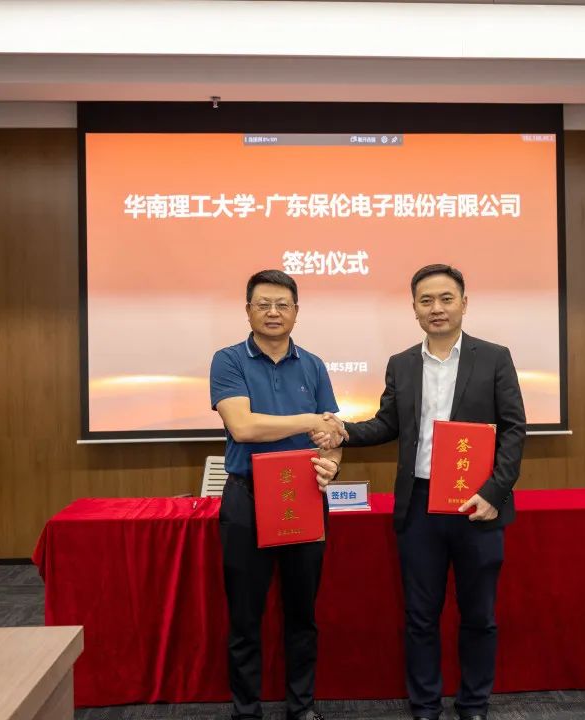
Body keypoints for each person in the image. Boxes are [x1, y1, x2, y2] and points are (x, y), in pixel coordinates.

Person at [314, 264, 527, 720]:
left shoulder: (495, 357)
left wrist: (494, 492)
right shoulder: (403, 363)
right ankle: (425, 705)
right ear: (414, 308)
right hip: (419, 507)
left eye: (446, 298)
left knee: (479, 616)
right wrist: (343, 431)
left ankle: (473, 703)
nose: (437, 308)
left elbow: (513, 430)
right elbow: (387, 424)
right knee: (420, 616)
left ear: (464, 303)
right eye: (426, 300)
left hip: (478, 506)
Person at [210, 269, 346, 720]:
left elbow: (331, 436)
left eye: (282, 304)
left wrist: (331, 463)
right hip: (247, 498)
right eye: (263, 304)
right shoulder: (228, 360)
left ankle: (301, 707)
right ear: (248, 310)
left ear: (296, 312)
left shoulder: (314, 365)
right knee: (245, 616)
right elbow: (243, 427)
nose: (273, 312)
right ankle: (246, 710)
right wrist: (309, 421)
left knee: (302, 614)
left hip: (304, 495)